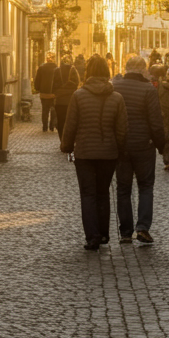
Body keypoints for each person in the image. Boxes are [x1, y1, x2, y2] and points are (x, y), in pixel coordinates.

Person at [60, 55, 126, 251]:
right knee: (103, 193)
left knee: (88, 194)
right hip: (108, 153)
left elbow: (70, 125)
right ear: (107, 72)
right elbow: (122, 129)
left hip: (85, 153)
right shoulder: (117, 98)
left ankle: (92, 236)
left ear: (87, 72)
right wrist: (120, 150)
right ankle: (104, 233)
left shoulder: (79, 96)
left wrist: (67, 147)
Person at [112, 55, 166, 244]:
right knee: (145, 186)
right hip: (143, 145)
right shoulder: (148, 89)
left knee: (123, 188)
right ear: (143, 70)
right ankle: (142, 228)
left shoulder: (115, 87)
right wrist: (161, 145)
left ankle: (126, 232)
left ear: (126, 69)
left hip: (121, 145)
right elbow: (156, 121)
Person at [52, 55, 80, 140]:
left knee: (61, 121)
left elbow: (53, 87)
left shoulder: (57, 71)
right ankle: (69, 139)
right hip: (71, 100)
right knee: (71, 120)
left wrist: (58, 92)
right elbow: (76, 84)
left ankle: (62, 139)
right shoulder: (73, 70)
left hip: (59, 101)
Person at [34, 52, 59, 132]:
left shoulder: (41, 68)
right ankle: (51, 126)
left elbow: (37, 80)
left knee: (45, 110)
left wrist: (37, 88)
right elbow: (59, 81)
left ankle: (45, 126)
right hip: (53, 93)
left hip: (44, 93)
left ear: (46, 59)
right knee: (53, 110)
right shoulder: (57, 68)